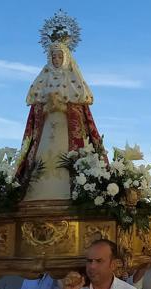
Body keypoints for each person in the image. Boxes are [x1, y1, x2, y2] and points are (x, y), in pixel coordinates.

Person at [16, 34, 105, 201]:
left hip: (67, 127)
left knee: (68, 156)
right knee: (42, 157)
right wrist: (47, 105)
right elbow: (35, 105)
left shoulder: (72, 77)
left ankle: (75, 191)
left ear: (65, 58)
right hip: (48, 126)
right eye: (53, 56)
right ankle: (35, 195)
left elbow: (81, 104)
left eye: (59, 56)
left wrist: (63, 106)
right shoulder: (44, 76)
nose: (56, 59)